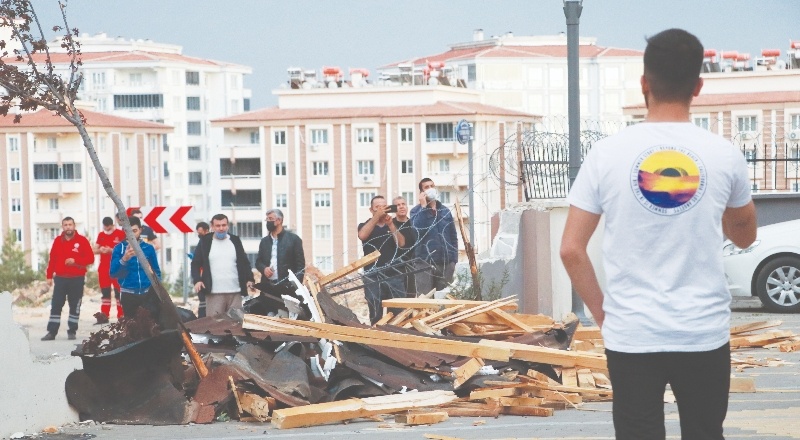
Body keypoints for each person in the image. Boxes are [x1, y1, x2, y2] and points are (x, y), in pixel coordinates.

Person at [559, 28, 758, 440]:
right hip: (702, 332)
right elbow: (744, 236)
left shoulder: (607, 154)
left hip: (632, 333)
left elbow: (571, 250)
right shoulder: (723, 155)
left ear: (644, 84)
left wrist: (602, 313)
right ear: (698, 86)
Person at [191, 214, 255, 317]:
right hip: (214, 294)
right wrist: (197, 280)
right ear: (212, 226)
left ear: (228, 226)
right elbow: (195, 263)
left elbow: (244, 262)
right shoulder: (205, 241)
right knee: (215, 327)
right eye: (218, 225)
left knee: (236, 326)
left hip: (235, 293)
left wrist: (249, 279)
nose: (221, 228)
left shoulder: (235, 240)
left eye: (223, 225)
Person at [42, 217, 94, 341]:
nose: (68, 227)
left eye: (70, 224)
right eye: (65, 225)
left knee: (75, 305)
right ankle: (52, 332)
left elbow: (90, 259)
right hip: (60, 278)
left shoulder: (82, 241)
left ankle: (72, 331)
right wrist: (49, 276)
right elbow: (52, 259)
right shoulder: (57, 241)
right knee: (56, 305)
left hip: (77, 278)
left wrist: (76, 261)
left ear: (74, 226)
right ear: (62, 227)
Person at [358, 195, 408, 323]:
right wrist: (376, 218)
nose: (381, 210)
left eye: (383, 207)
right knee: (375, 313)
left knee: (398, 314)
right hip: (373, 276)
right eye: (377, 207)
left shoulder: (393, 224)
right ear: (371, 210)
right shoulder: (365, 225)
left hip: (394, 274)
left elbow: (401, 243)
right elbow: (362, 235)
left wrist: (391, 224)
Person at [410, 178, 458, 295]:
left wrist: (453, 260)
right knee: (425, 299)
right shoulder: (415, 211)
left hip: (445, 263)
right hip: (424, 263)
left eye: (432, 186)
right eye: (426, 187)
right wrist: (423, 207)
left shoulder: (445, 210)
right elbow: (417, 230)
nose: (430, 189)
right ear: (422, 192)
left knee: (444, 298)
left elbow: (453, 235)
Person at [110, 216, 162, 319]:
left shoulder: (149, 248)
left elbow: (156, 271)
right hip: (128, 294)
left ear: (140, 230)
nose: (132, 234)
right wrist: (124, 259)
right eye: (128, 231)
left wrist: (157, 290)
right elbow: (113, 273)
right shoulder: (119, 249)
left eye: (135, 231)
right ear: (124, 231)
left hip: (148, 294)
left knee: (151, 327)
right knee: (131, 328)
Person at [255, 209, 306, 298]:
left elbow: (300, 266)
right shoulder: (264, 242)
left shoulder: (294, 240)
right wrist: (264, 269)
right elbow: (258, 262)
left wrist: (295, 286)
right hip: (268, 287)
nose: (268, 222)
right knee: (268, 311)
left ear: (279, 220)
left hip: (287, 288)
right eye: (267, 219)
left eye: (270, 219)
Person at [92, 216, 126, 323]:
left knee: (118, 292)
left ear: (112, 225)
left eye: (108, 226)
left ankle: (121, 316)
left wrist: (111, 250)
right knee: (105, 292)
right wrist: (101, 250)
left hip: (117, 268)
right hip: (104, 268)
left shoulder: (120, 234)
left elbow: (125, 249)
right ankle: (104, 316)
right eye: (105, 227)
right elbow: (94, 249)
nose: (107, 229)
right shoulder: (101, 235)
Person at [392, 195, 418, 295]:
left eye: (403, 204)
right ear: (394, 208)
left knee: (411, 296)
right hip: (396, 267)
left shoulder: (414, 224)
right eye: (398, 205)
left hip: (412, 265)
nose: (401, 207)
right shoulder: (391, 224)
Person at [193, 221, 210, 317]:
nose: (199, 235)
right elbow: (196, 263)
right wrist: (197, 279)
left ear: (206, 230)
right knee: (203, 304)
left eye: (200, 233)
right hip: (202, 279)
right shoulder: (201, 243)